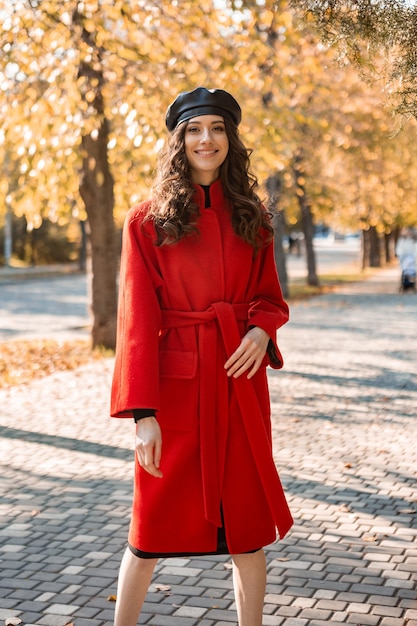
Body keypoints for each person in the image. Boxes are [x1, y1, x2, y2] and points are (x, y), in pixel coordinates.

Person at [110, 86, 293, 626]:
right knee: (148, 535)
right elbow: (135, 323)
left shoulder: (252, 217)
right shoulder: (146, 221)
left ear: (230, 139)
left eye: (216, 128)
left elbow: (270, 299)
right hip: (177, 392)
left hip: (239, 386)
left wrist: (261, 332)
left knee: (248, 532)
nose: (205, 139)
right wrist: (143, 416)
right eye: (193, 130)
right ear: (179, 140)